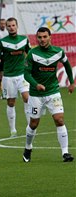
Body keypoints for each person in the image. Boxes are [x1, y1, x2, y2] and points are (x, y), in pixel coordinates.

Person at [22, 27, 74, 163]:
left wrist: (72, 82)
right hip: (36, 94)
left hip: (53, 91)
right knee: (33, 123)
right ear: (37, 38)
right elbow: (26, 73)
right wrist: (36, 84)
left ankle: (65, 153)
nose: (42, 40)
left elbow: (67, 65)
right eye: (40, 37)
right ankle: (28, 147)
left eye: (45, 37)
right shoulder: (32, 54)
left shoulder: (58, 52)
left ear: (50, 37)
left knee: (59, 119)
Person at [0, 17, 31, 137]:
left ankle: (30, 127)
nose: (11, 27)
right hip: (8, 76)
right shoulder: (2, 42)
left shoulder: (24, 40)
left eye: (13, 25)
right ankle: (13, 130)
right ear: (7, 27)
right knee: (11, 102)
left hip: (22, 75)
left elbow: (30, 54)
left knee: (27, 98)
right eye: (9, 26)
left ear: (17, 26)